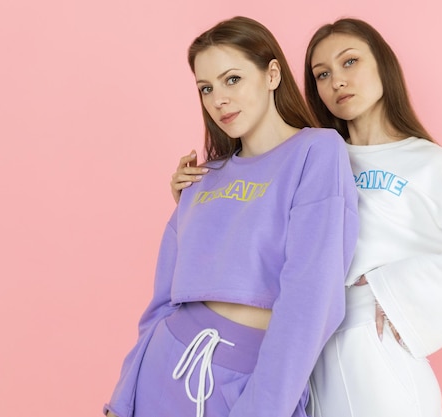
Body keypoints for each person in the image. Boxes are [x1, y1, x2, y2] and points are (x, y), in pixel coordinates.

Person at [171, 17, 442, 417]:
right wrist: (194, 198)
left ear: (383, 65)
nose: (337, 81)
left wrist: (400, 289)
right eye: (322, 74)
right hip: (298, 357)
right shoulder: (309, 156)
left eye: (350, 63)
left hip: (372, 356)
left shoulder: (430, 166)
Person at [104, 16, 359, 417]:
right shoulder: (203, 178)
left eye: (232, 79)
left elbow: (311, 300)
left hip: (249, 383)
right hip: (160, 371)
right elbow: (161, 302)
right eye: (206, 88)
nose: (218, 98)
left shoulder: (317, 152)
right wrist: (123, 398)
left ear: (272, 74)